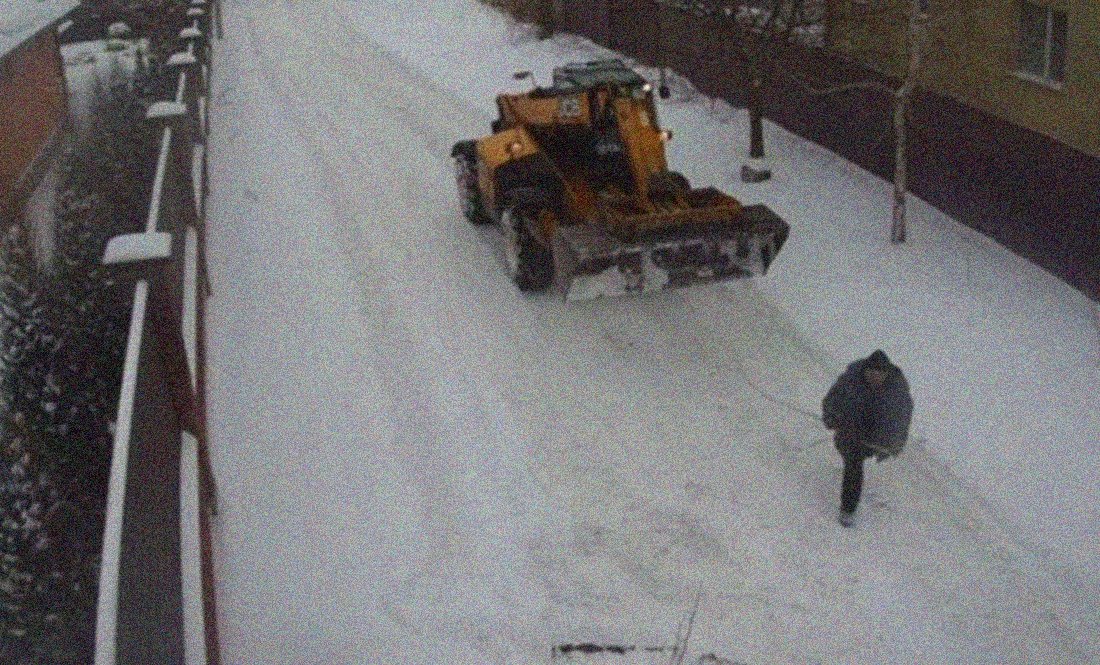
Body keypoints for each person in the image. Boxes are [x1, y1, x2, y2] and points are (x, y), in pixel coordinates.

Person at [822, 349, 913, 527]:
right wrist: (832, 418)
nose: (875, 378)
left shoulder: (897, 390)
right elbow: (832, 400)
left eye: (880, 375)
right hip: (849, 430)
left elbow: (902, 419)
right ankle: (848, 505)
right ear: (865, 371)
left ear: (886, 375)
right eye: (871, 373)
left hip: (875, 435)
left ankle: (848, 507)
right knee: (852, 461)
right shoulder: (851, 380)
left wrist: (894, 443)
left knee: (856, 463)